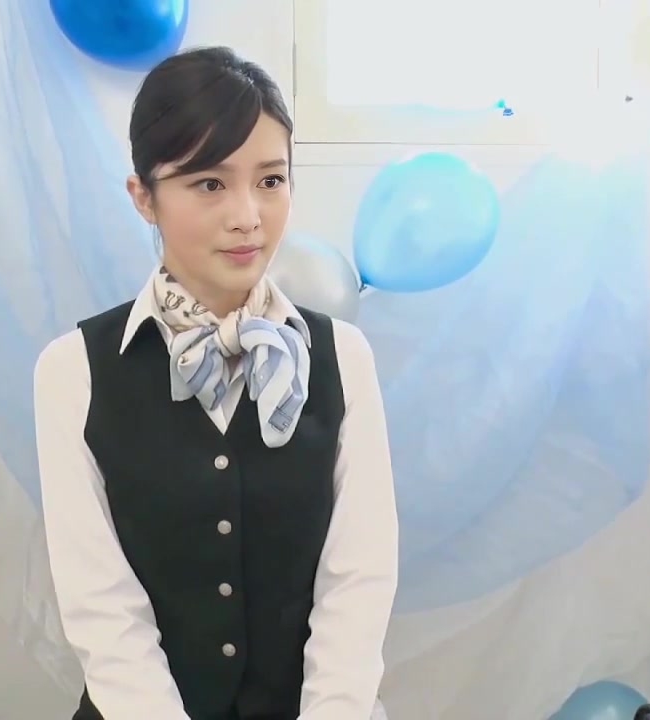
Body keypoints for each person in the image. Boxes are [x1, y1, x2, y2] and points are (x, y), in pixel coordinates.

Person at [33, 46, 398, 720]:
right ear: (143, 197)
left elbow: (358, 581)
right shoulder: (72, 370)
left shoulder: (343, 357)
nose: (247, 215)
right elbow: (101, 608)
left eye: (270, 180)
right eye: (209, 184)